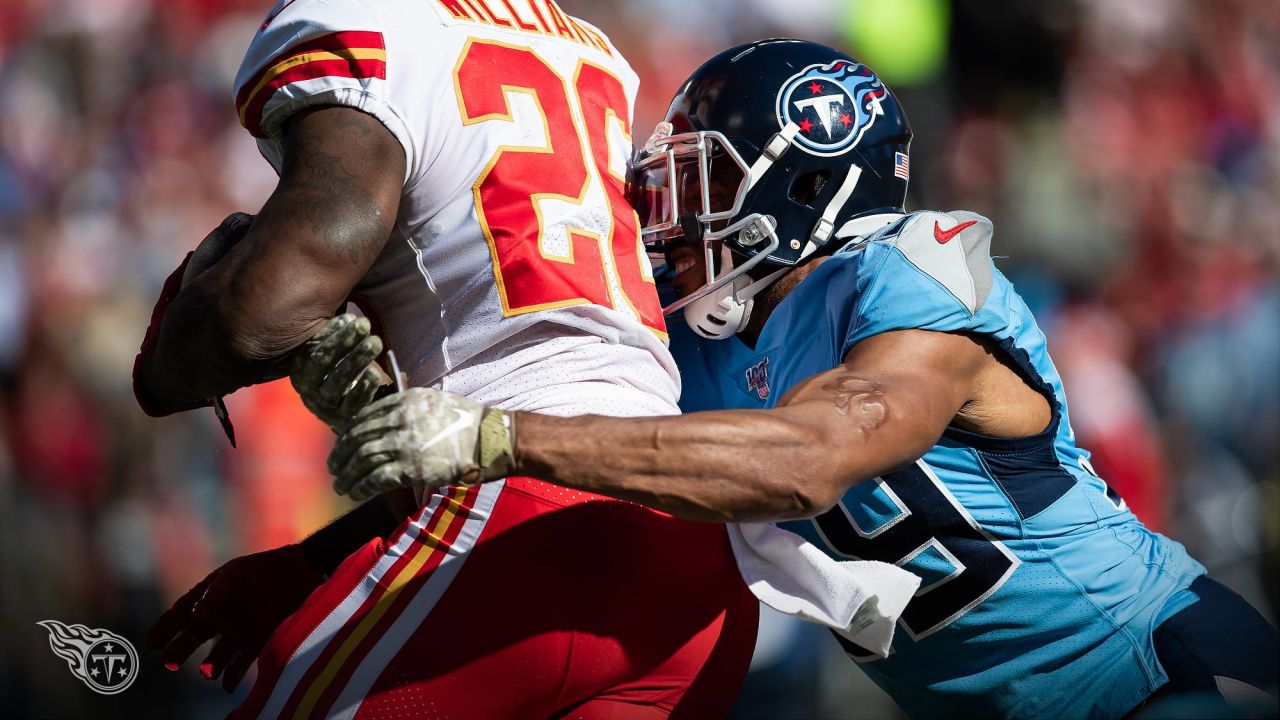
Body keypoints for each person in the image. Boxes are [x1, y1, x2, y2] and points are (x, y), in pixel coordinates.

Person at [324, 39, 1280, 718]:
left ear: (806, 187)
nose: (668, 221)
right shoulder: (694, 337)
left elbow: (813, 459)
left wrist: (500, 433)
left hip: (1153, 672)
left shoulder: (909, 271)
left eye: (696, 186)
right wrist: (380, 396)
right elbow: (547, 448)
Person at [133, 1, 761, 717]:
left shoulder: (366, 20)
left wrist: (166, 358)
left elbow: (269, 306)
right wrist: (319, 560)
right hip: (686, 551)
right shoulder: (588, 46)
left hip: (515, 528)